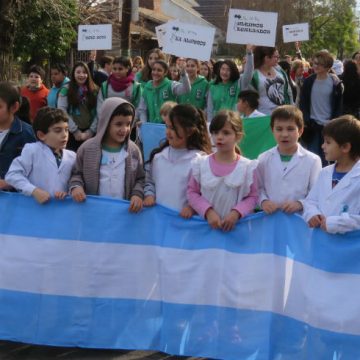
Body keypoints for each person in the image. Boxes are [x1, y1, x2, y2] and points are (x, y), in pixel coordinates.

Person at [69, 97, 144, 213]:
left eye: (128, 124)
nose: (124, 129)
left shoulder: (133, 150)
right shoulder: (87, 148)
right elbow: (76, 174)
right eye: (118, 124)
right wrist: (76, 186)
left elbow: (141, 178)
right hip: (93, 212)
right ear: (106, 122)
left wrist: (137, 194)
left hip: (124, 213)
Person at [187, 110, 258, 231]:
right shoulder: (200, 164)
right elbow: (192, 192)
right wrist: (208, 212)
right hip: (205, 230)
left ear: (238, 136)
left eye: (226, 133)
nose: (219, 137)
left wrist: (236, 213)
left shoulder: (248, 167)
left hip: (237, 231)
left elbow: (254, 196)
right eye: (215, 132)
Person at [143, 104, 211, 217]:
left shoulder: (201, 160)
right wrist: (149, 195)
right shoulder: (158, 157)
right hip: (160, 223)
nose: (168, 132)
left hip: (185, 227)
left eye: (173, 128)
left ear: (190, 131)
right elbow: (150, 182)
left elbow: (205, 193)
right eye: (167, 127)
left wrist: (192, 207)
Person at [257, 105, 322, 214]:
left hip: (300, 220)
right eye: (279, 129)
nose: (284, 134)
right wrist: (263, 201)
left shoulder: (313, 160)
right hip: (271, 219)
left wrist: (300, 203)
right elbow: (258, 188)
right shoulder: (263, 158)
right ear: (272, 130)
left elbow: (316, 192)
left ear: (300, 131)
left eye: (290, 129)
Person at [302, 115, 360, 234]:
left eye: (328, 142)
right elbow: (311, 201)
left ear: (345, 147)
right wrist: (312, 214)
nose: (323, 146)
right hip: (321, 242)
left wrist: (336, 223)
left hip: (348, 247)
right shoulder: (325, 172)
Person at [5, 107, 76, 204]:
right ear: (41, 135)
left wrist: (67, 193)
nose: (64, 135)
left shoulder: (72, 156)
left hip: (61, 211)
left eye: (66, 130)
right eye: (58, 130)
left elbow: (74, 181)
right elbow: (12, 175)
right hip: (34, 209)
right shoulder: (32, 150)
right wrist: (34, 191)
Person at [299, 50, 343, 163]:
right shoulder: (308, 81)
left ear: (327, 65)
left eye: (319, 64)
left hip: (330, 126)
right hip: (313, 126)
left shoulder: (335, 82)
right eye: (314, 63)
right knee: (314, 157)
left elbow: (339, 104)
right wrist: (307, 120)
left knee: (330, 158)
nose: (315, 66)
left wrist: (334, 121)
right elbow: (303, 103)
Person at [0, 82, 36, 189]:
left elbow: (35, 172)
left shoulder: (27, 134)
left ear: (14, 107)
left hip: (13, 199)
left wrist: (9, 183)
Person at [57, 61, 98, 151]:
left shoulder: (95, 89)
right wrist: (75, 131)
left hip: (91, 132)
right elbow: (61, 110)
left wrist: (91, 131)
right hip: (71, 133)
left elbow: (99, 111)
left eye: (84, 72)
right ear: (73, 74)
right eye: (78, 72)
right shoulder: (65, 90)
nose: (81, 75)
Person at [207, 45, 254, 122]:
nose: (225, 72)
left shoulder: (239, 83)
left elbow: (249, 73)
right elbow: (210, 110)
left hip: (235, 122)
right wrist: (210, 125)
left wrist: (249, 53)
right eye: (223, 69)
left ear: (233, 71)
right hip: (218, 123)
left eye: (228, 70)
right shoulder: (213, 87)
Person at [137, 60, 191, 124]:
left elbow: (186, 89)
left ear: (165, 72)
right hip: (152, 127)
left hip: (169, 126)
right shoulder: (147, 87)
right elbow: (142, 109)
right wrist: (144, 123)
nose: (155, 72)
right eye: (154, 69)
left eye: (159, 70)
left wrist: (183, 73)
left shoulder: (170, 85)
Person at [250, 46, 293, 115]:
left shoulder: (280, 72)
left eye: (278, 57)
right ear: (266, 58)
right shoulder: (254, 75)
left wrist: (291, 108)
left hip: (282, 115)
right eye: (275, 57)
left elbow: (288, 92)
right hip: (263, 116)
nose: (278, 59)